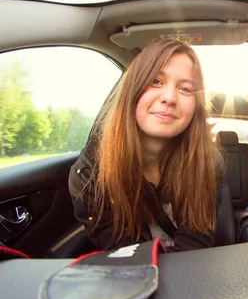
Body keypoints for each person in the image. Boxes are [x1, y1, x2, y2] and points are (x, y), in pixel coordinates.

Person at [68, 40, 234, 252]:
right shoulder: (90, 175)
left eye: (185, 88)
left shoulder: (208, 163)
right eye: (156, 81)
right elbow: (123, 256)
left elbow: (195, 245)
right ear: (133, 90)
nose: (169, 98)